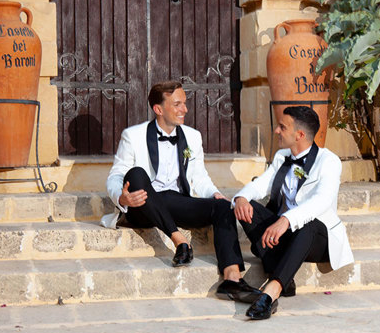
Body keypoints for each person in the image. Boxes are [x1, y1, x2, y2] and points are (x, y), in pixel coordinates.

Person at [100, 81, 261, 301]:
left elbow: (199, 177)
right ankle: (180, 241)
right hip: (144, 205)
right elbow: (116, 175)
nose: (184, 109)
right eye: (177, 104)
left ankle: (232, 279)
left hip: (176, 201)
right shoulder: (133, 136)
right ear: (158, 109)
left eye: (184, 104)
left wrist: (214, 194)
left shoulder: (192, 137)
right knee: (136, 173)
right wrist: (121, 197)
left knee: (223, 206)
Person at [214, 105, 354, 320]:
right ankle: (280, 280)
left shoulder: (329, 161)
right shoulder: (282, 157)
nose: (276, 131)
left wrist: (286, 220)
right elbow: (261, 185)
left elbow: (322, 201)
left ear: (299, 134)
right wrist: (242, 198)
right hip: (285, 235)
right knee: (243, 207)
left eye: (282, 127)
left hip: (317, 239)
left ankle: (273, 290)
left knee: (308, 224)